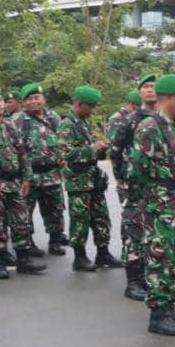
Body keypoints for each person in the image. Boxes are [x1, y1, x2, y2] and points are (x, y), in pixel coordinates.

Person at [131, 74, 175, 335]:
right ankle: (157, 314)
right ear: (169, 97)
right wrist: (154, 198)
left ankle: (169, 305)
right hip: (161, 205)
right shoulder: (150, 127)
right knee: (160, 257)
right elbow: (138, 169)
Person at [0, 86, 43, 280]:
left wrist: (26, 178)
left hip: (14, 183)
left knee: (21, 222)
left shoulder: (10, 125)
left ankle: (23, 260)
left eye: (0, 100)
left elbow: (22, 153)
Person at [59, 86, 119, 273]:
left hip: (92, 179)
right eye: (90, 106)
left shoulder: (83, 122)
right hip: (78, 182)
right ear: (78, 104)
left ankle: (103, 253)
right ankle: (80, 257)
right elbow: (65, 154)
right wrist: (94, 148)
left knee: (101, 217)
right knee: (80, 220)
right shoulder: (67, 125)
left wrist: (99, 149)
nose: (93, 110)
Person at [112, 74, 158, 302]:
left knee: (156, 231)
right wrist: (122, 178)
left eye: (154, 86)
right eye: (146, 87)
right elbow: (116, 149)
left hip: (159, 186)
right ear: (140, 93)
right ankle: (133, 281)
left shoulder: (165, 118)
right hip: (135, 185)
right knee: (134, 229)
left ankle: (151, 275)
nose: (150, 90)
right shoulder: (131, 120)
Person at [14, 82, 68, 256]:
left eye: (36, 98)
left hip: (52, 174)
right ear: (24, 103)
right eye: (29, 99)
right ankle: (28, 243)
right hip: (30, 176)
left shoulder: (54, 118)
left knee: (55, 209)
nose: (33, 102)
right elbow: (14, 148)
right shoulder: (18, 120)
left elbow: (62, 142)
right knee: (25, 212)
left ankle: (55, 240)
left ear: (43, 99)